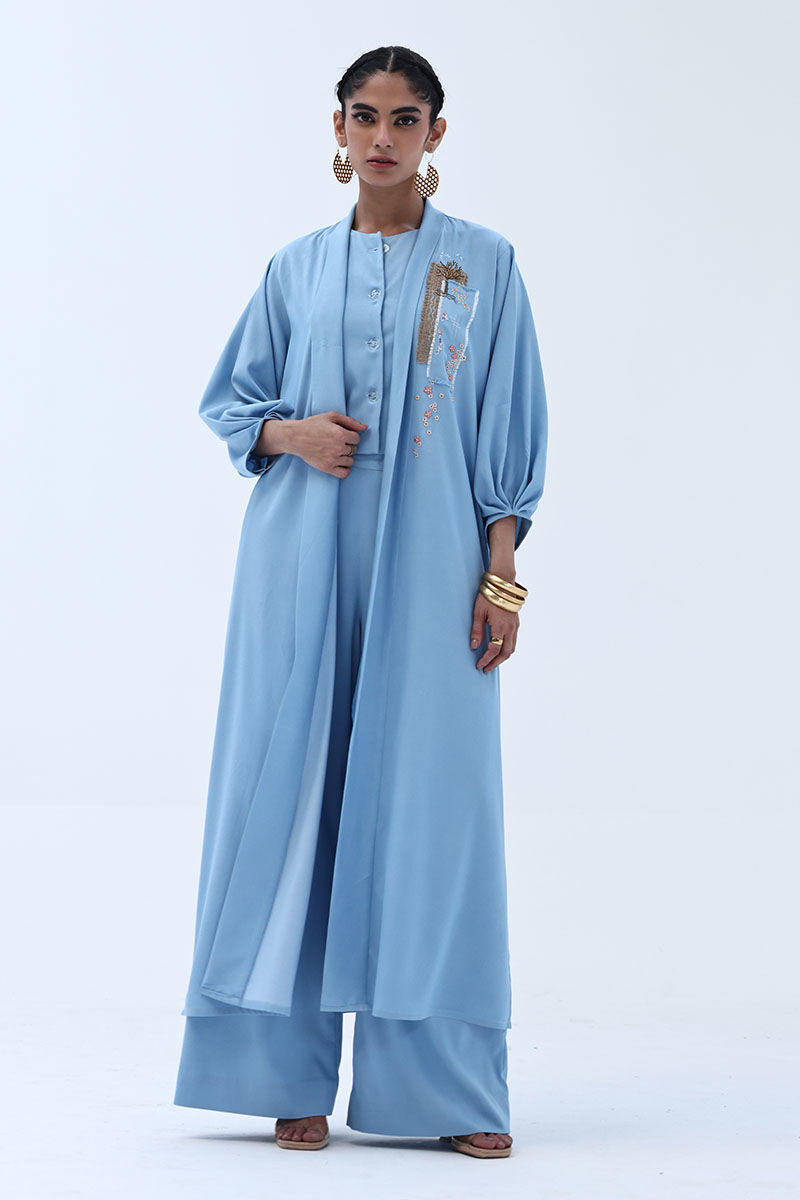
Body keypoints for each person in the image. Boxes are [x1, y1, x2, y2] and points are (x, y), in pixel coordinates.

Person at [173, 45, 548, 1161]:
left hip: (434, 566)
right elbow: (233, 401)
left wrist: (501, 576)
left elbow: (506, 427)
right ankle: (278, 1073)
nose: (382, 136)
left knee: (433, 811)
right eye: (363, 115)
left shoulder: (485, 264)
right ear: (337, 129)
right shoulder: (295, 268)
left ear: (436, 133)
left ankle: (444, 1086)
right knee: (288, 796)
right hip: (301, 562)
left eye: (404, 117)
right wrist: (289, 432)